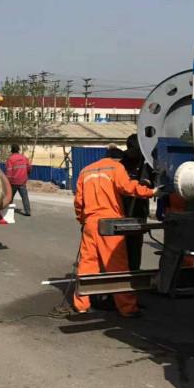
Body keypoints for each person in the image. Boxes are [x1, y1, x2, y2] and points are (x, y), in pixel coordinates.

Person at [73, 144, 156, 317]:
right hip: (109, 224)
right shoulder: (116, 168)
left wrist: (83, 220)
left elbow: (79, 202)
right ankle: (127, 308)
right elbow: (128, 187)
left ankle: (81, 305)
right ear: (119, 159)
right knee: (118, 267)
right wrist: (151, 191)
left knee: (87, 264)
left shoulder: (85, 171)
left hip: (90, 223)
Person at [121, 134, 154, 271]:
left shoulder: (146, 164)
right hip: (121, 212)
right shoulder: (121, 164)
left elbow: (151, 185)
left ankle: (134, 271)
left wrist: (147, 184)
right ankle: (122, 271)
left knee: (135, 245)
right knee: (121, 245)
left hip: (138, 212)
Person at [6, 144, 31, 216]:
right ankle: (28, 211)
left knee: (10, 197)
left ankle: (7, 211)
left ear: (12, 150)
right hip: (22, 181)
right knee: (25, 197)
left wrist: (8, 181)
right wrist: (27, 174)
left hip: (13, 182)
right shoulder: (24, 158)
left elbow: (9, 171)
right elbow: (29, 167)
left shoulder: (10, 159)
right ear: (18, 150)